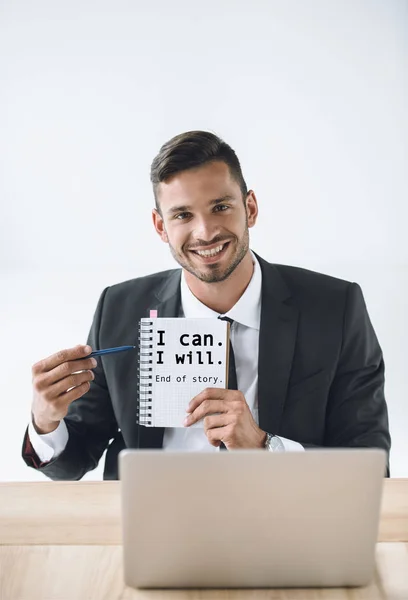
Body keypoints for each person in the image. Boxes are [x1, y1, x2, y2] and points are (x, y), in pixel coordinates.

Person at [22, 130, 391, 480]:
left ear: (250, 207)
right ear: (160, 226)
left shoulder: (335, 308)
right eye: (183, 215)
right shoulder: (119, 308)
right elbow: (74, 462)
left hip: (285, 526)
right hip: (154, 527)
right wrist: (45, 422)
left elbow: (370, 468)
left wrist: (265, 448)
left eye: (220, 207)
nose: (205, 232)